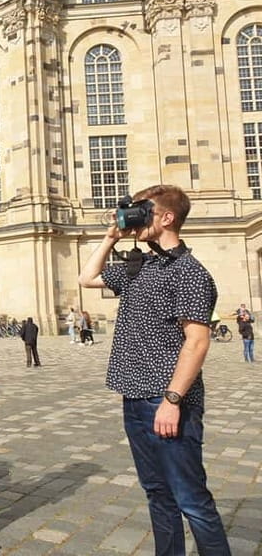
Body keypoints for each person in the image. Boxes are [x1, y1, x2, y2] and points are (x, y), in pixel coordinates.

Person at [79, 184, 231, 555]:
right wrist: (110, 236)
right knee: (157, 495)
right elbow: (87, 278)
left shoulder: (189, 272)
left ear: (166, 217)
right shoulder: (139, 266)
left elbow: (197, 341)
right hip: (134, 398)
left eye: (142, 210)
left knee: (191, 499)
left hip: (166, 402)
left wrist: (173, 399)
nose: (136, 217)